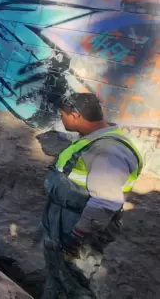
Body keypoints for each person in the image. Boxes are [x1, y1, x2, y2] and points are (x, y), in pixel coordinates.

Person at [41, 93, 143, 299]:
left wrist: (78, 235)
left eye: (63, 115)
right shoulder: (94, 139)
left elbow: (105, 201)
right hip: (65, 221)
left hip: (77, 230)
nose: (61, 119)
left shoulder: (107, 151)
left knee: (74, 283)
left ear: (75, 116)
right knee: (59, 277)